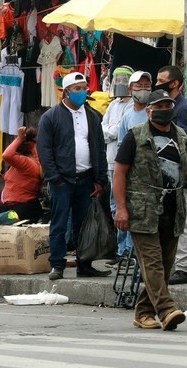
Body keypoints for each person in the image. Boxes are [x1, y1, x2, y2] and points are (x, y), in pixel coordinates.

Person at [113, 90, 187, 331]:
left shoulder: (180, 136)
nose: (165, 109)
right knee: (153, 263)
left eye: (168, 104)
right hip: (143, 210)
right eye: (159, 106)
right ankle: (167, 309)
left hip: (173, 209)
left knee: (165, 266)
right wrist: (121, 209)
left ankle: (144, 312)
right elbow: (119, 173)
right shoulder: (135, 136)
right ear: (149, 111)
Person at [38, 72, 109, 280]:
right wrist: (55, 178)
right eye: (77, 88)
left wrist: (100, 179)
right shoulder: (50, 117)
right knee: (59, 223)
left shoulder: (93, 116)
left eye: (84, 88)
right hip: (62, 180)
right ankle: (57, 265)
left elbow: (99, 148)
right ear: (66, 91)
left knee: (84, 224)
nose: (82, 92)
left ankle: (84, 263)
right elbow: (44, 151)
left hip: (86, 178)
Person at [155, 66, 187, 286]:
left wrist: (176, 160)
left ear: (174, 83)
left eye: (161, 80)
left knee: (181, 217)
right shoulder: (168, 105)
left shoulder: (183, 108)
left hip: (182, 171)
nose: (158, 82)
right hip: (170, 172)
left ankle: (184, 267)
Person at [113, 70, 153, 259]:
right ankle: (126, 253)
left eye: (147, 86)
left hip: (151, 176)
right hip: (131, 174)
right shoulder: (127, 116)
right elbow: (121, 147)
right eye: (139, 86)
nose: (143, 90)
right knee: (125, 212)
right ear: (130, 89)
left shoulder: (155, 112)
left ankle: (139, 254)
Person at [101, 66, 134, 265]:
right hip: (110, 162)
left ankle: (129, 250)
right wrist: (111, 131)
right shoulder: (113, 105)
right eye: (118, 79)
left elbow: (119, 131)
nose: (120, 83)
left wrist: (111, 131)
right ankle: (121, 250)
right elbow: (103, 129)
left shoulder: (134, 106)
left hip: (123, 163)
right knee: (115, 207)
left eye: (124, 80)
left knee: (125, 206)